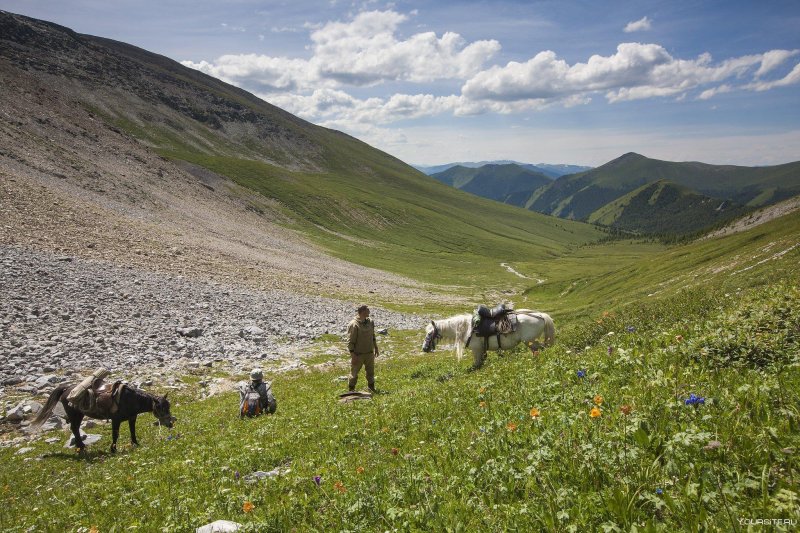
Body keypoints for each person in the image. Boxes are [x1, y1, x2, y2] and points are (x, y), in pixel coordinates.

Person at [347, 304, 379, 393]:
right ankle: (351, 391)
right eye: (368, 310)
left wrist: (376, 347)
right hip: (358, 354)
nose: (369, 312)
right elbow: (350, 341)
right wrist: (353, 355)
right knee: (354, 374)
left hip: (369, 353)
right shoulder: (354, 324)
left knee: (370, 372)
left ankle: (371, 388)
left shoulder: (370, 321)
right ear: (363, 311)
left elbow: (373, 335)